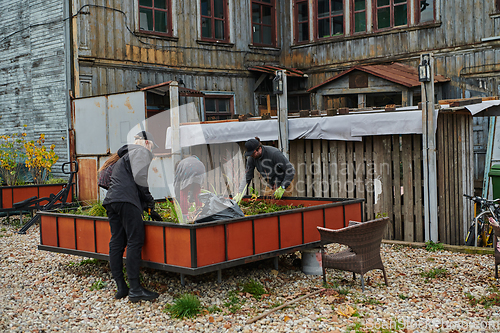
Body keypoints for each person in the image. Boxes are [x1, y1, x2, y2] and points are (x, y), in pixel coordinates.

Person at [102, 130, 159, 303]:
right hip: (126, 201)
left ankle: (121, 287)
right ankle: (135, 290)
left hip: (112, 202)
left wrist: (146, 206)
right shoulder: (141, 152)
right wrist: (150, 203)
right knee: (135, 240)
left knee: (117, 241)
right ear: (147, 143)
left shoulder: (124, 156)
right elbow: (140, 179)